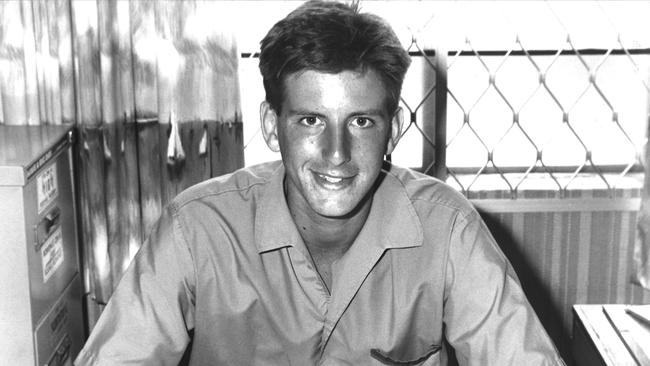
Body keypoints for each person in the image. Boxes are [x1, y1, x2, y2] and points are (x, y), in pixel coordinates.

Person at [75, 1, 565, 365]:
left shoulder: (449, 228)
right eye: (311, 121)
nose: (337, 155)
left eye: (361, 122)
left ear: (392, 130)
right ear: (272, 126)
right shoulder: (197, 228)